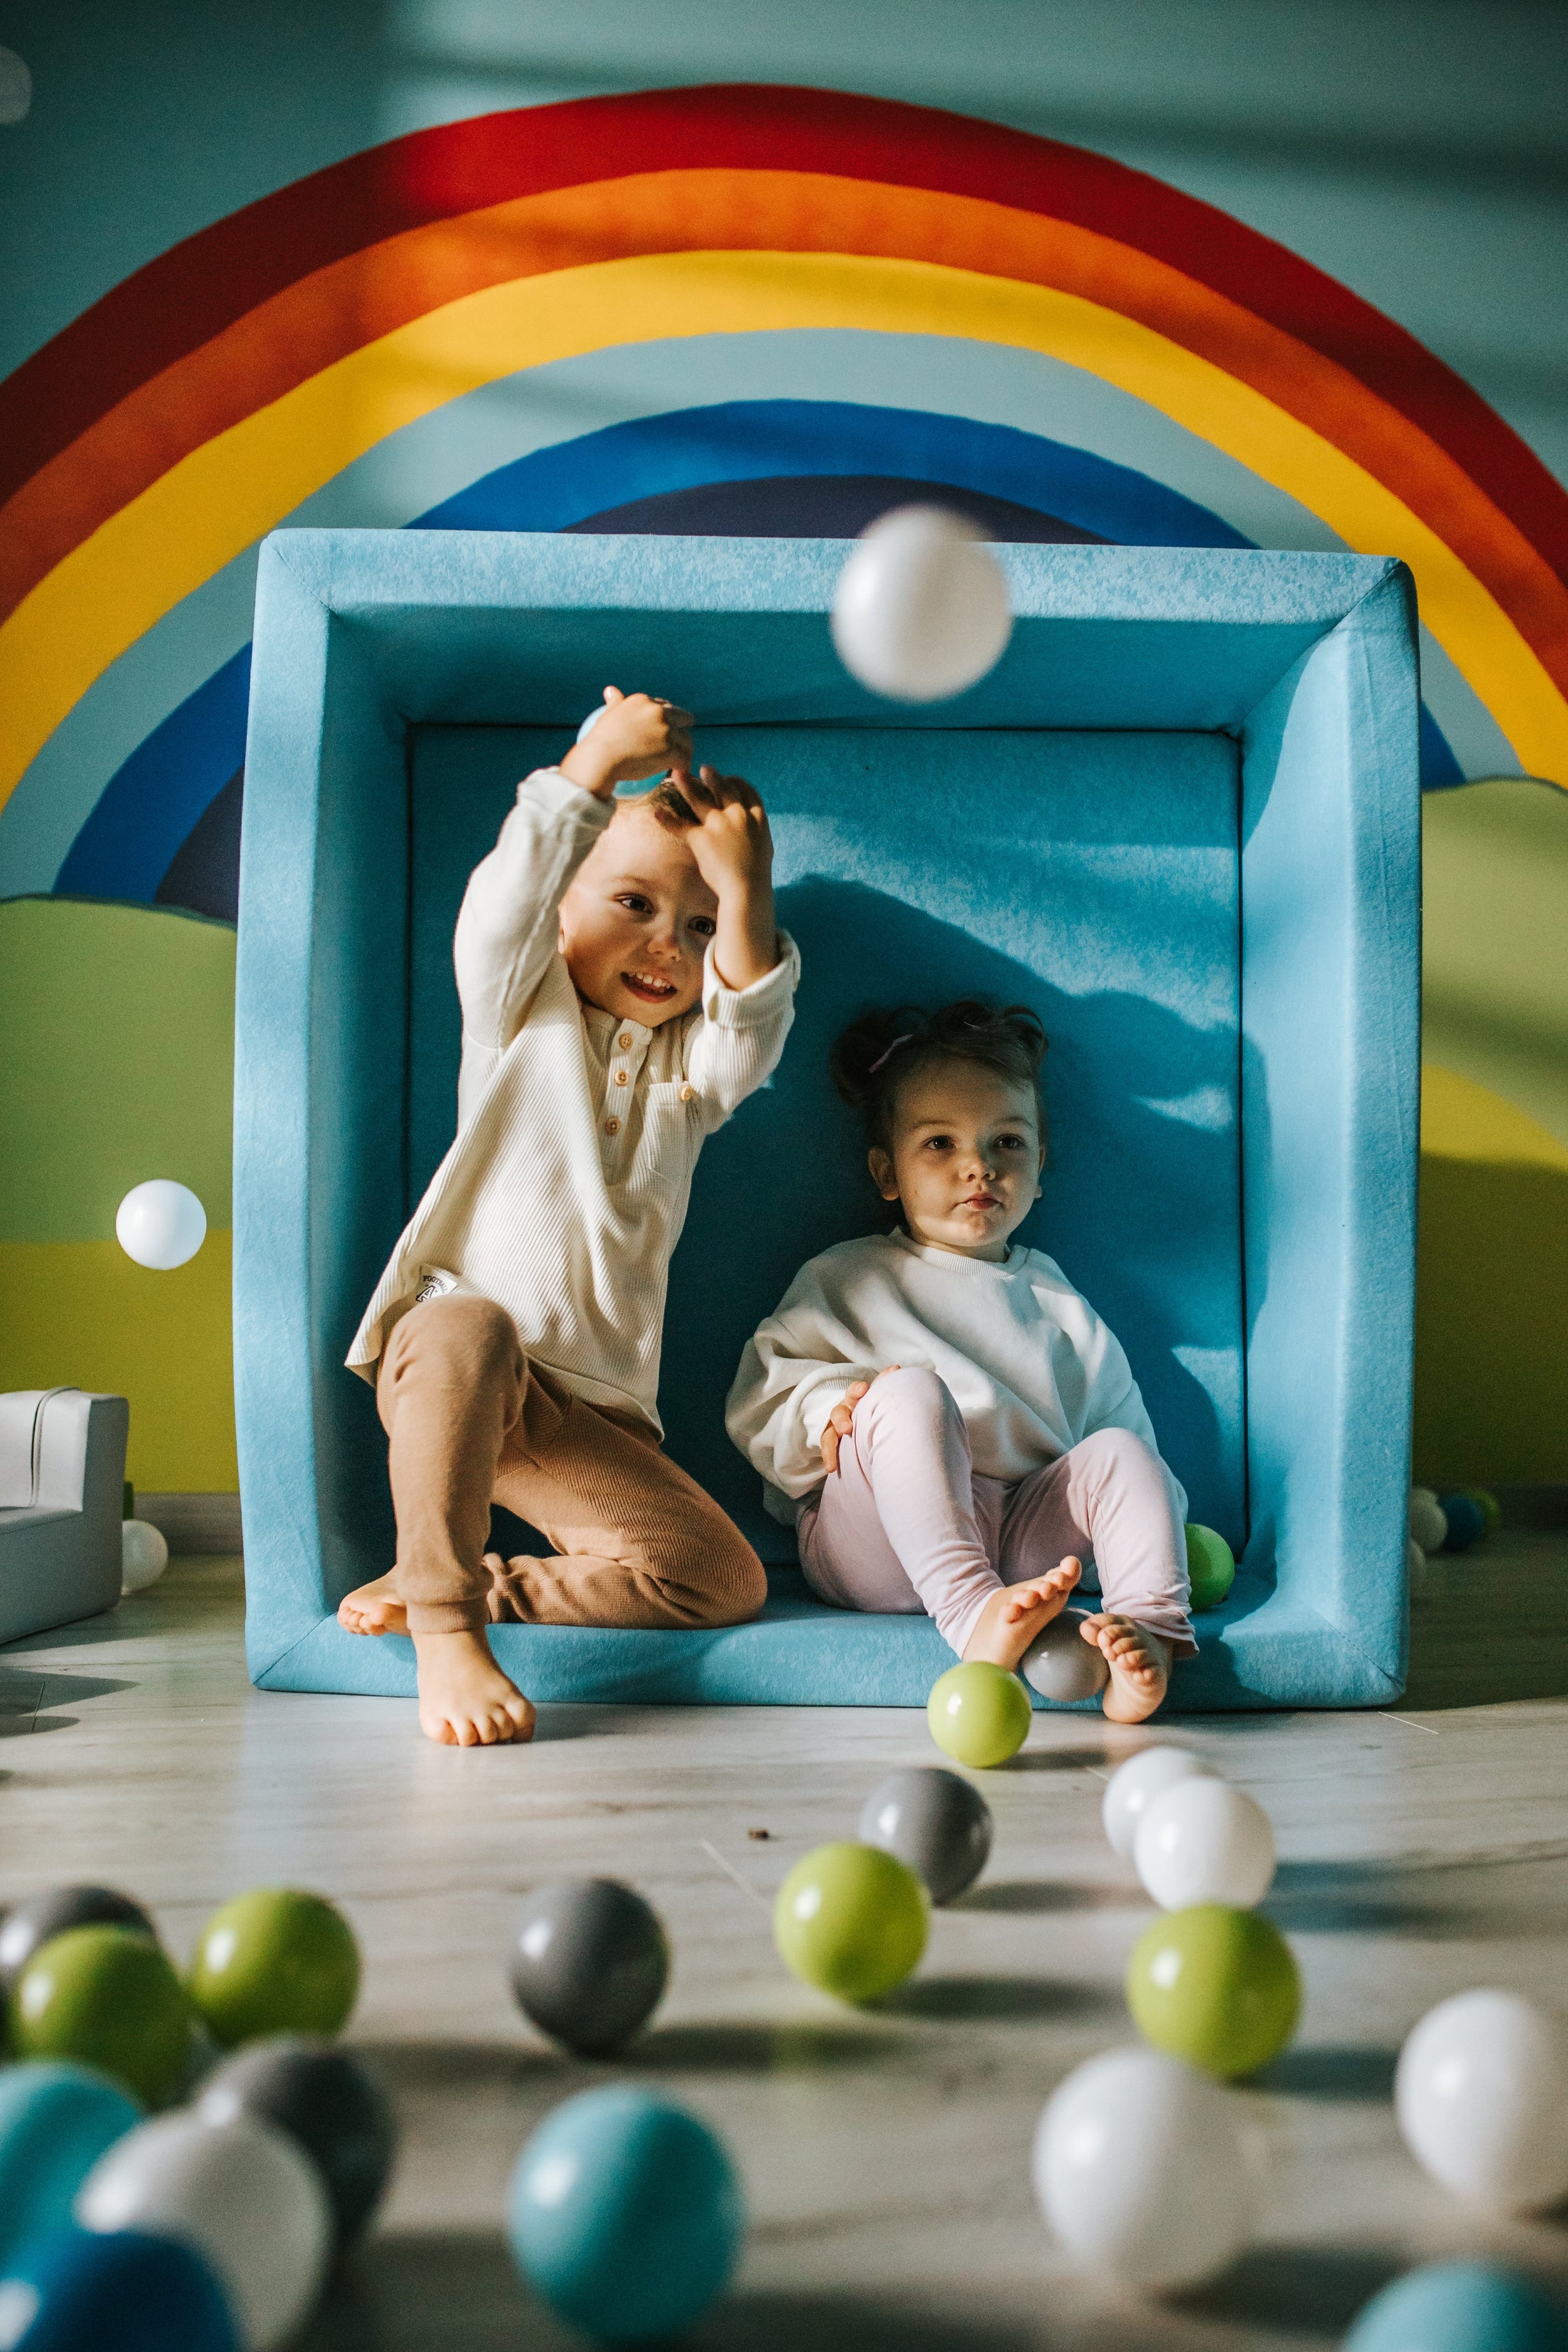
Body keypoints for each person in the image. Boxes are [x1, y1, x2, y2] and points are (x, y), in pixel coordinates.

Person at [339, 688, 798, 1748]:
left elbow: (752, 1017)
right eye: (633, 905)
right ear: (562, 913)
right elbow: (503, 901)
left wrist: (751, 885)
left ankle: (457, 1579)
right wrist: (591, 767)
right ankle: (446, 1632)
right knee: (471, 1321)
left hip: (582, 1422)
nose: (667, 949)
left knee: (721, 1580)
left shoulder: (696, 1072)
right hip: (458, 1370)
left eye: (697, 926)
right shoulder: (519, 1007)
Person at [725, 999, 1194, 1723]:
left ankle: (1151, 1634)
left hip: (1021, 1540)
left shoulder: (1060, 1305)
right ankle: (970, 1611)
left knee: (1125, 1452)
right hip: (876, 1543)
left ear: (1040, 1169)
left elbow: (1133, 1469)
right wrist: (826, 1410)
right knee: (908, 1392)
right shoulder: (850, 1277)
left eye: (1006, 1143)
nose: (978, 1166)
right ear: (887, 1172)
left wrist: (1125, 1553)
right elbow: (760, 1394)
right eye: (939, 1144)